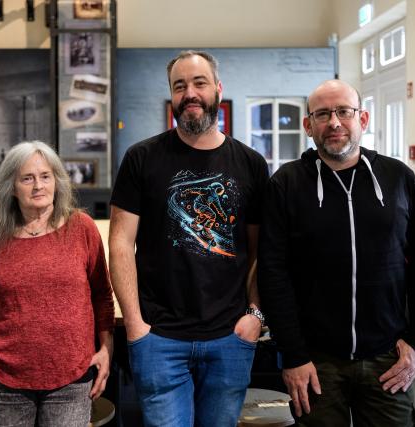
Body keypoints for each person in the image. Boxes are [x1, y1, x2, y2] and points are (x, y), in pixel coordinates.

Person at [258, 79, 415, 426]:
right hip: (315, 362)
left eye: (344, 111)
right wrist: (292, 355)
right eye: (323, 113)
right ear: (308, 124)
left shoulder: (398, 179)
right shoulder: (287, 184)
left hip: (388, 359)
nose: (335, 122)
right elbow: (273, 274)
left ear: (363, 119)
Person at [109, 50, 269, 427]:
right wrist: (135, 325)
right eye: (180, 86)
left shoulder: (250, 164)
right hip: (158, 337)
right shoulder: (141, 158)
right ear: (172, 95)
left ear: (217, 88)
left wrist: (255, 315)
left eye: (199, 83)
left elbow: (264, 250)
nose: (190, 93)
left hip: (230, 336)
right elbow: (119, 244)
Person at [0, 141, 115, 427]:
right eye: (27, 178)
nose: (38, 186)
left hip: (71, 374)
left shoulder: (82, 228)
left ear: (57, 181)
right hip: (3, 376)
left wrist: (106, 349)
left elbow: (102, 294)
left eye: (46, 176)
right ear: (12, 187)